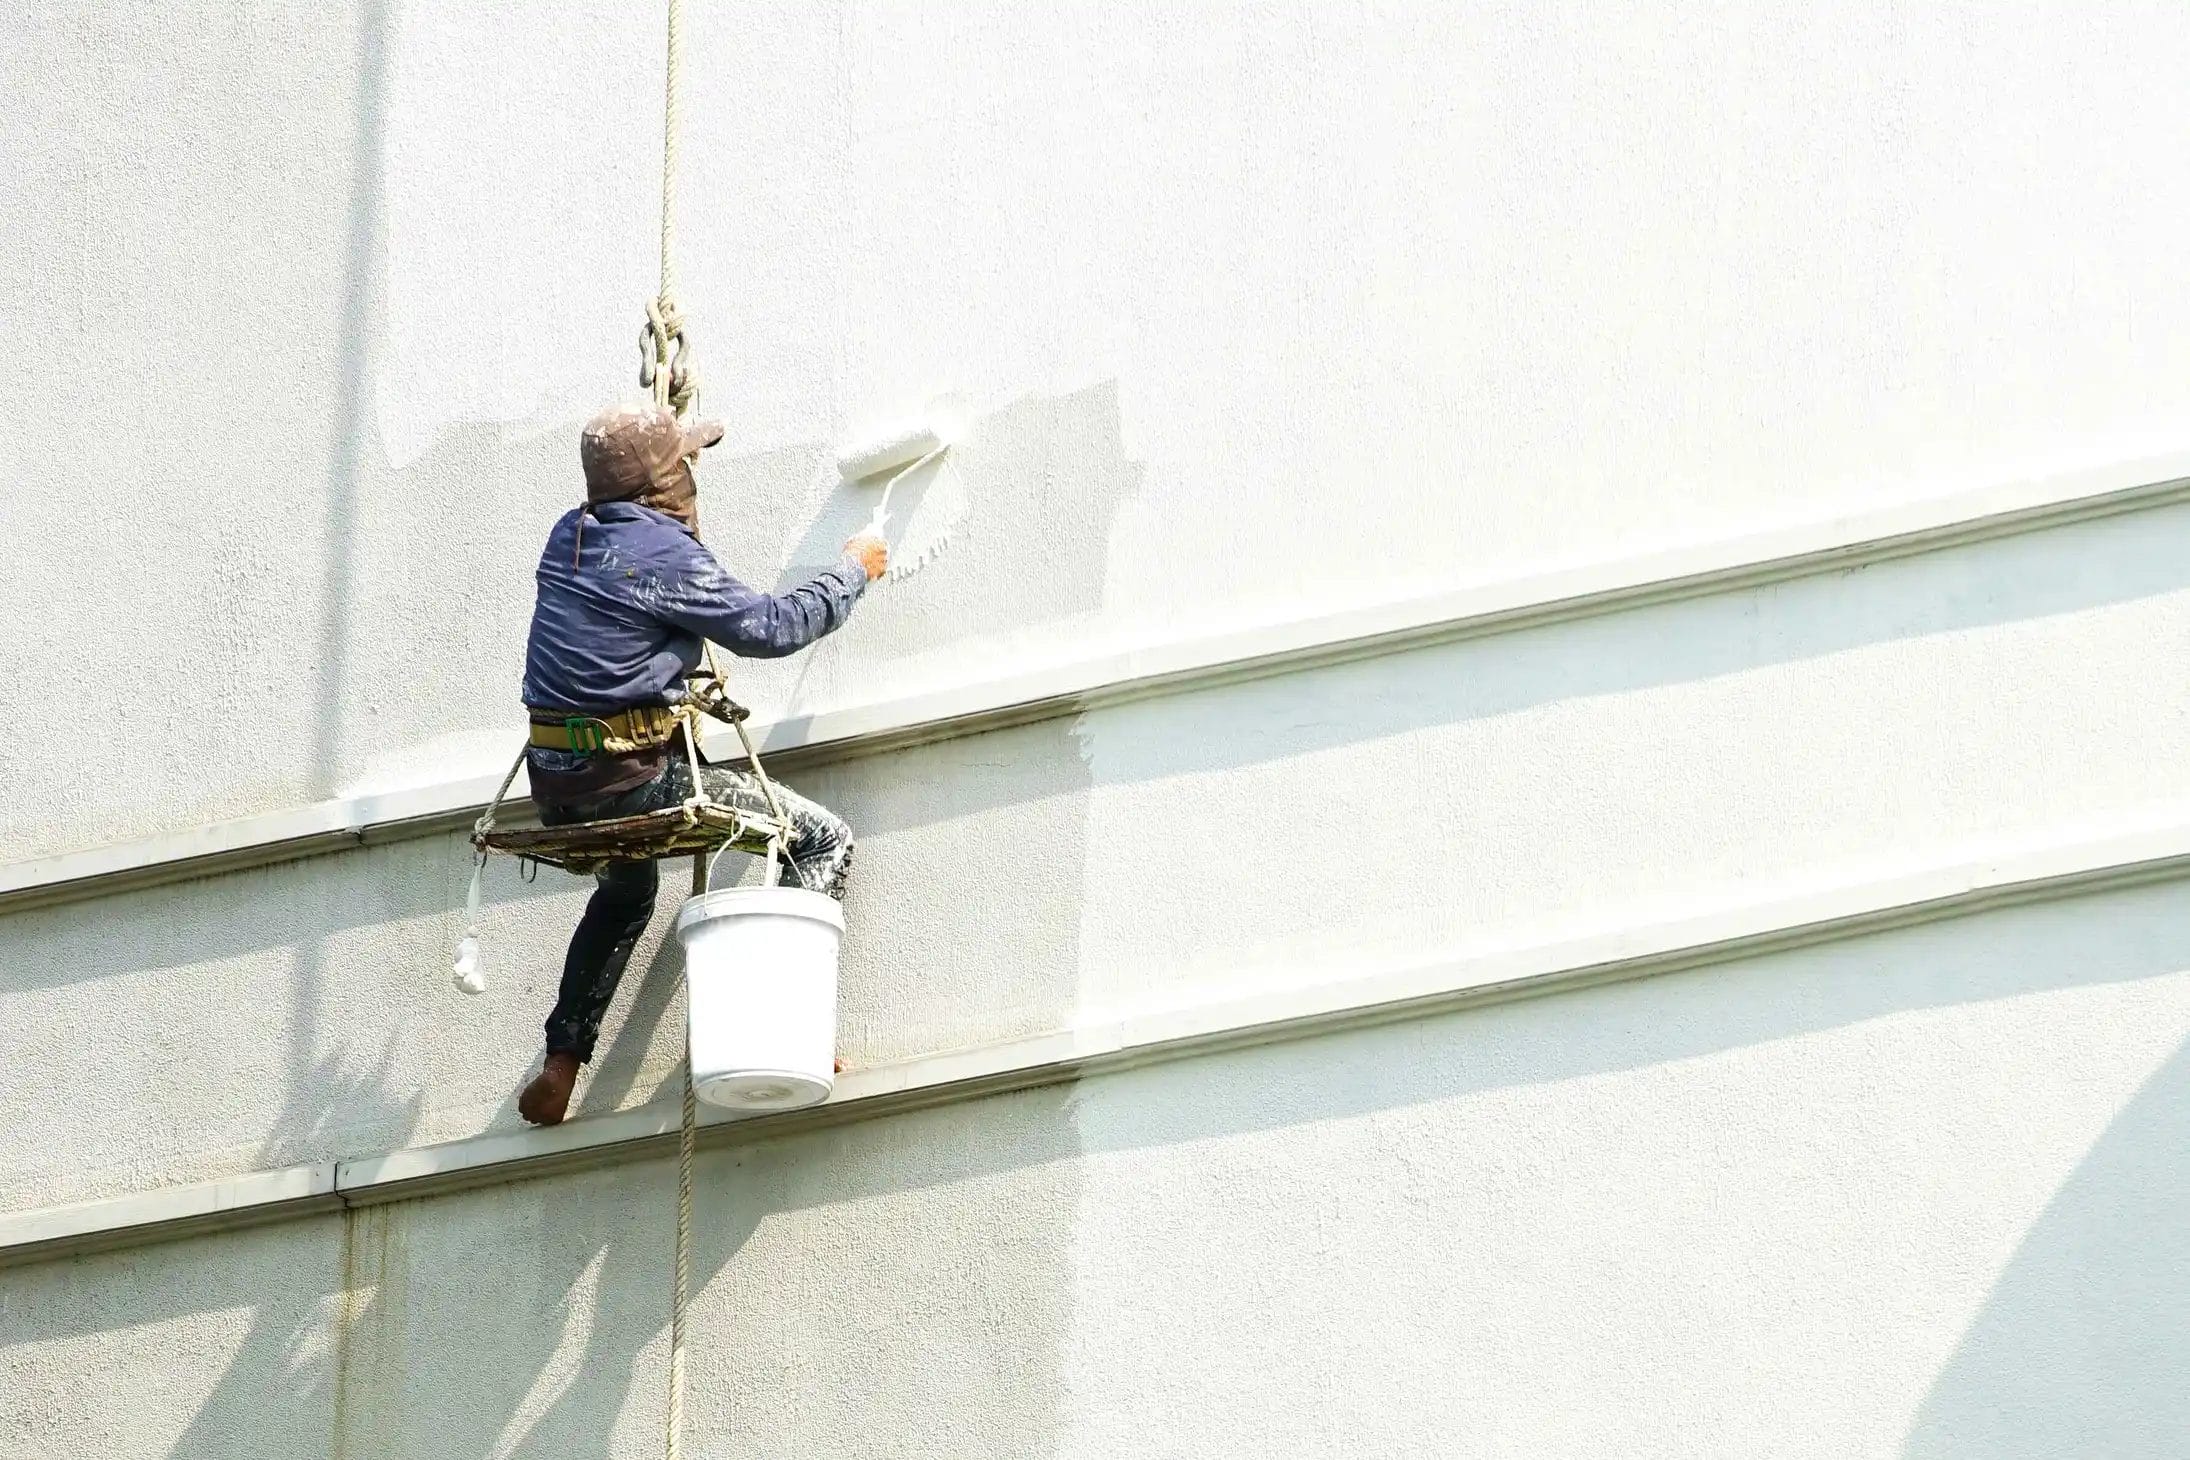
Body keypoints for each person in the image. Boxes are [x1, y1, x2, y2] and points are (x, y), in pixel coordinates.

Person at [514, 404, 886, 1126]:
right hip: (633, 778)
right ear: (659, 483)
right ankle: (787, 1030)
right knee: (820, 839)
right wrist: (853, 571)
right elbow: (771, 628)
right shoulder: (663, 557)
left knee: (628, 890)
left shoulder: (571, 535)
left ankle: (563, 1058)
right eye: (683, 463)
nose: (691, 476)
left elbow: (628, 602)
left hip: (560, 784)